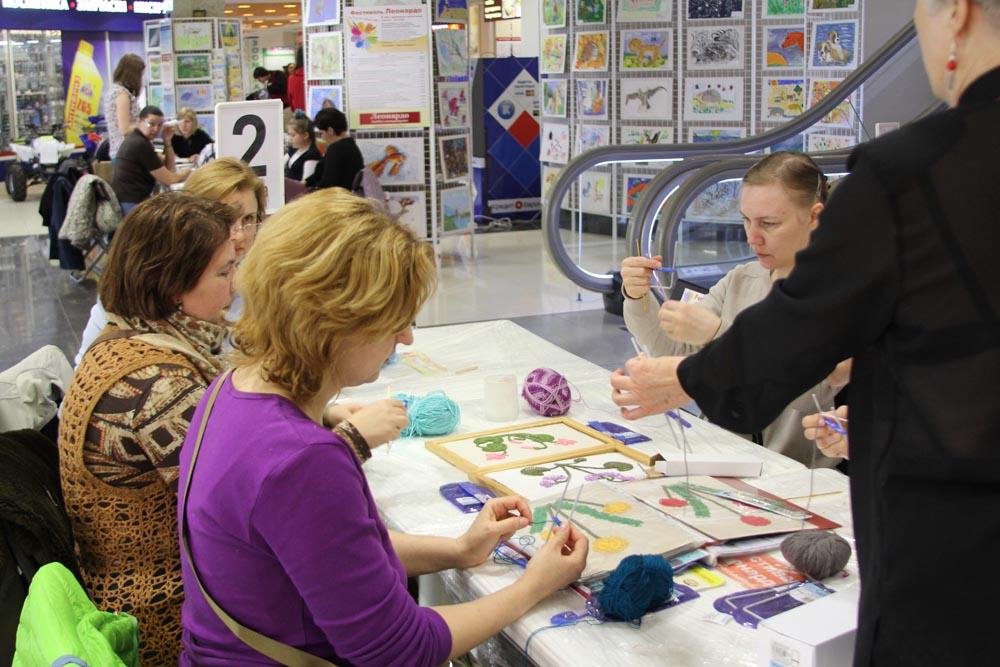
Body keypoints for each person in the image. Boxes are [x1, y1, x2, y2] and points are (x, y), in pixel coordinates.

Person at [610, 0, 1000, 663]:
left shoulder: (914, 174)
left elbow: (803, 332)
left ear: (955, 13)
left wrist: (687, 376)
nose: (755, 237)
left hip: (955, 540)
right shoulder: (745, 277)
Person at [178, 189, 588, 665]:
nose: (406, 337)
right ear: (334, 322)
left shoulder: (228, 390)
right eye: (395, 320)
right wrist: (534, 585)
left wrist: (458, 549)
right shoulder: (304, 458)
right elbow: (399, 650)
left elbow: (326, 553)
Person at [59, 193, 237, 665]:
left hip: (125, 594)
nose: (234, 287)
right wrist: (350, 441)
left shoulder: (123, 339)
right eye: (223, 272)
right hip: (163, 620)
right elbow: (244, 514)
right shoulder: (159, 385)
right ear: (173, 285)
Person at [620, 152, 846, 466]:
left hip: (793, 474)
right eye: (746, 220)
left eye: (769, 223)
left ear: (814, 217)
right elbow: (671, 351)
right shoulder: (741, 280)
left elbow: (805, 383)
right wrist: (637, 296)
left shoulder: (843, 295)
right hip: (723, 460)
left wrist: (717, 334)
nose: (753, 238)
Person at [74, 158, 263, 367]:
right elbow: (87, 367)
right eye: (224, 219)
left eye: (248, 219)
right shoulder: (138, 288)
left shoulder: (260, 286)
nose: (239, 235)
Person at [112, 105, 189, 214]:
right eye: (151, 124)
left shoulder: (140, 140)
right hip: (132, 203)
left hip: (131, 200)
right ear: (139, 121)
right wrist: (188, 173)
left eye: (160, 125)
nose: (156, 129)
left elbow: (170, 169)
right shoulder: (140, 144)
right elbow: (169, 179)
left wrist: (167, 141)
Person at [306, 106, 364, 191]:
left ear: (330, 130)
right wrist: (306, 182)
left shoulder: (336, 149)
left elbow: (328, 185)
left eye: (321, 133)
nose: (322, 138)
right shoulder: (351, 145)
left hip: (336, 197)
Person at [105, 53, 144, 160]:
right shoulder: (121, 94)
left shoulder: (114, 90)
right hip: (127, 153)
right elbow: (125, 129)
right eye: (140, 75)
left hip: (121, 152)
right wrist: (145, 123)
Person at [284, 114, 322, 183]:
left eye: (293, 135)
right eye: (289, 135)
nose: (289, 139)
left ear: (305, 135)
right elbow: (281, 164)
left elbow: (305, 184)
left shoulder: (312, 155)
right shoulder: (293, 149)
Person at [287, 46, 306, 114]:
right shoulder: (319, 77)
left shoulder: (292, 78)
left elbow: (290, 99)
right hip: (321, 116)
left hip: (300, 115)